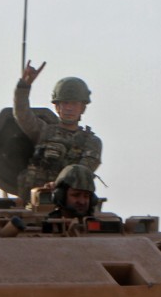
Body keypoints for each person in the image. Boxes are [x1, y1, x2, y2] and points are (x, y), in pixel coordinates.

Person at [12, 62, 102, 203]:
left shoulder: (91, 142)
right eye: (65, 103)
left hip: (70, 206)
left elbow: (83, 171)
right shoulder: (44, 132)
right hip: (33, 202)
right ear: (57, 107)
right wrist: (24, 86)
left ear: (82, 108)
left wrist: (59, 184)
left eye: (74, 103)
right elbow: (21, 114)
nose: (69, 108)